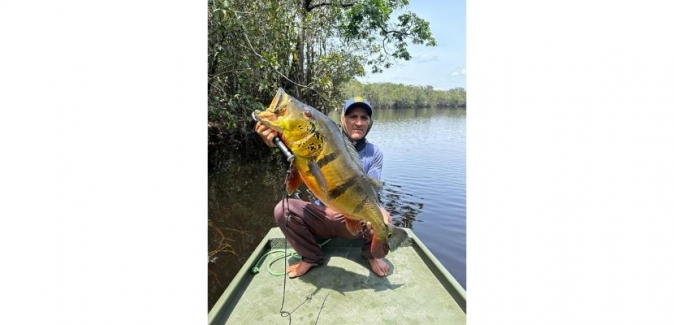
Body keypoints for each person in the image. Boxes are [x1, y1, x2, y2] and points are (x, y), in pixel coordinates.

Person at [254, 96, 393, 278]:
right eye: (353, 116)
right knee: (283, 209)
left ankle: (372, 256)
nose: (358, 122)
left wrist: (379, 215)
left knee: (383, 218)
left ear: (370, 122)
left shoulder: (375, 153)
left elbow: (372, 191)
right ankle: (311, 257)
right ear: (343, 119)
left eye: (364, 117)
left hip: (354, 221)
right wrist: (272, 138)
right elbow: (293, 147)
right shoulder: (322, 139)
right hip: (323, 218)